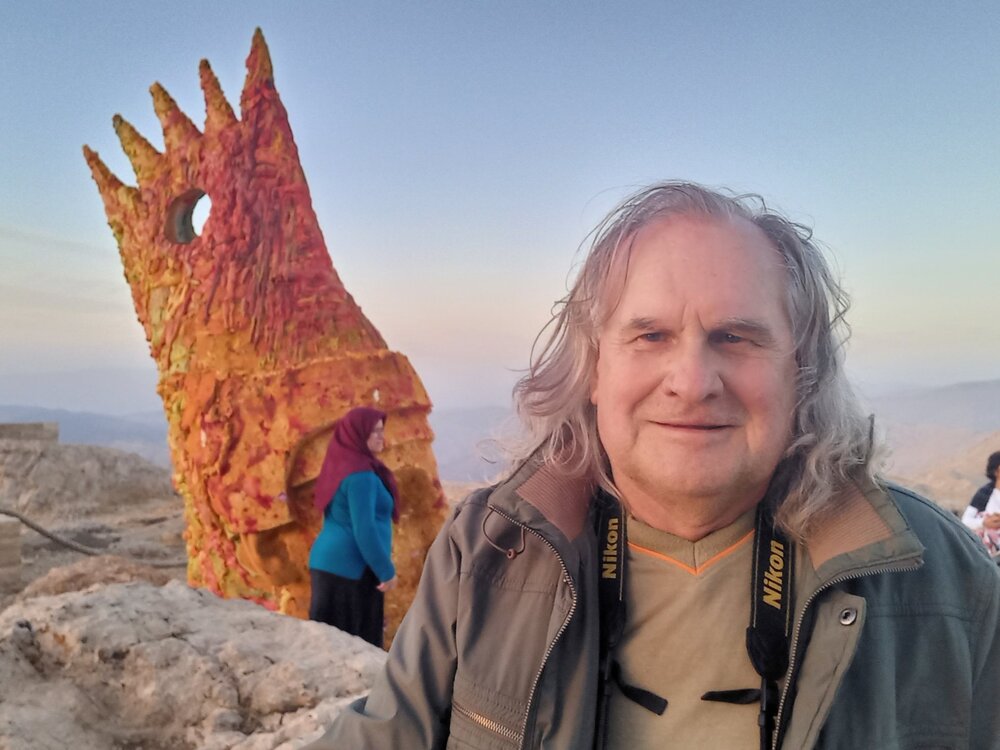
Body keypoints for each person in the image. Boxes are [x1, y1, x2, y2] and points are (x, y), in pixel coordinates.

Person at [306, 182, 1000, 748]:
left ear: (802, 373)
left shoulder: (942, 582)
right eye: (650, 335)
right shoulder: (492, 548)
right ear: (594, 371)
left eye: (736, 336)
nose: (692, 382)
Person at [308, 406, 399, 648]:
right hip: (351, 570)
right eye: (374, 431)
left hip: (329, 564)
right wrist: (385, 571)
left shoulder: (342, 465)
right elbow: (364, 529)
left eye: (381, 430)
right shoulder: (362, 476)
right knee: (358, 649)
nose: (381, 437)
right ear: (357, 433)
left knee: (327, 647)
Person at [961, 451, 1000, 555]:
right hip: (988, 553)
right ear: (996, 471)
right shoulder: (984, 494)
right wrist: (984, 522)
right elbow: (965, 522)